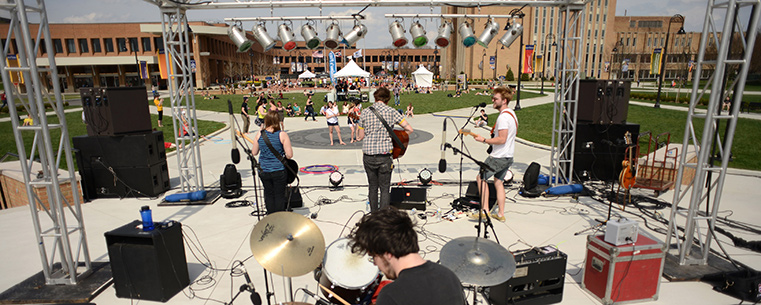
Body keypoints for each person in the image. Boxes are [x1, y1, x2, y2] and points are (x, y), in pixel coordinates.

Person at [347, 207, 466, 305]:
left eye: (373, 257)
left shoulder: (392, 295)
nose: (375, 263)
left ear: (387, 253)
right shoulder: (448, 276)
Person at [357, 87, 413, 211]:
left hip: (369, 155)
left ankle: (373, 214)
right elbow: (409, 129)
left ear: (375, 98)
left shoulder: (365, 112)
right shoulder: (392, 111)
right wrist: (396, 136)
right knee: (384, 188)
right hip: (385, 155)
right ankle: (383, 216)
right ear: (387, 100)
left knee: (372, 187)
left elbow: (360, 137)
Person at [471, 86, 518, 222]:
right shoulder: (512, 114)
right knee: (498, 182)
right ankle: (501, 214)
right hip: (508, 155)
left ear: (504, 101)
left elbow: (502, 139)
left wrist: (484, 140)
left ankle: (485, 211)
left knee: (481, 178)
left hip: (499, 156)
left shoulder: (503, 118)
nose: (493, 100)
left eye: (496, 98)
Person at [249, 111, 293, 214]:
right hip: (278, 169)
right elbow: (289, 155)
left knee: (268, 193)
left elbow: (254, 152)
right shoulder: (282, 135)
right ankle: (278, 217)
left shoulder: (259, 134)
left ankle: (270, 216)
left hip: (264, 170)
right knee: (279, 195)